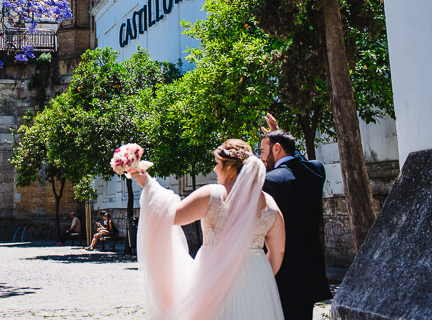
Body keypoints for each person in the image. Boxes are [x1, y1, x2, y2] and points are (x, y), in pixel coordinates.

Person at [131, 139, 286, 320]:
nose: (214, 169)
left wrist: (149, 184)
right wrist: (261, 277)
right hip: (257, 277)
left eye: (217, 164)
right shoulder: (270, 204)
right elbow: (278, 251)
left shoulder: (213, 195)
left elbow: (168, 215)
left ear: (229, 167)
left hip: (215, 278)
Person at [259, 116, 332, 320]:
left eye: (264, 152)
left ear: (276, 149)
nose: (262, 158)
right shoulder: (316, 170)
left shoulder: (269, 181)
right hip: (311, 269)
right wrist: (278, 134)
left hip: (285, 271)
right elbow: (296, 160)